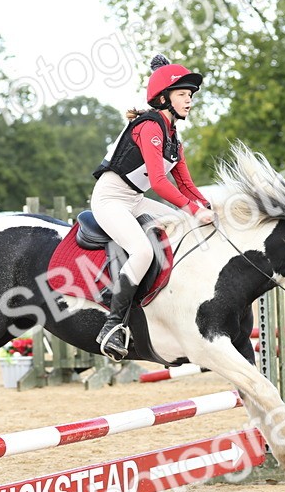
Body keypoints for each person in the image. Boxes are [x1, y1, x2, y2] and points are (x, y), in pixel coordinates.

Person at [90, 55, 215, 360]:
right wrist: (193, 209)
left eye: (190, 95)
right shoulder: (150, 127)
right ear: (164, 98)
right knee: (143, 251)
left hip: (134, 199)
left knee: (183, 226)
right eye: (183, 95)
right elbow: (159, 183)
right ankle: (112, 325)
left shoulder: (174, 139)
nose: (189, 101)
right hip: (110, 198)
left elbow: (186, 186)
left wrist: (208, 207)